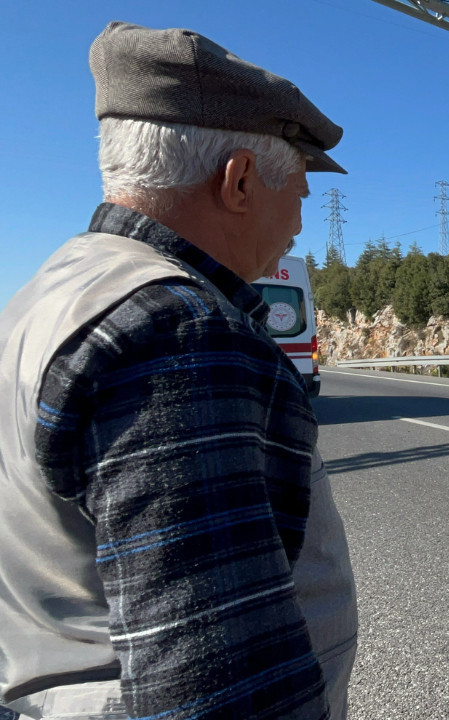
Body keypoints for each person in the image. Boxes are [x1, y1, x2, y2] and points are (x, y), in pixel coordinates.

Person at [0, 23, 357, 720]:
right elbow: (218, 686)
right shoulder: (177, 333)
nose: (299, 227)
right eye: (301, 194)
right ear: (240, 181)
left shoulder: (53, 292)